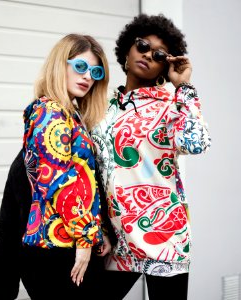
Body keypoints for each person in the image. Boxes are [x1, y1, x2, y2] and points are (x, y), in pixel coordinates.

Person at [91, 14, 212, 300]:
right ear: (128, 49)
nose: (148, 54)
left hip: (164, 238)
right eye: (142, 45)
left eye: (159, 54)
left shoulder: (171, 106)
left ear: (165, 65)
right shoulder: (103, 107)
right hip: (116, 240)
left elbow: (197, 143)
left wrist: (184, 88)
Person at [0, 33, 112, 300]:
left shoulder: (71, 114)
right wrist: (85, 238)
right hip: (53, 247)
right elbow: (57, 181)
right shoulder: (49, 111)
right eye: (80, 67)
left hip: (67, 242)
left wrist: (96, 231)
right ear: (61, 64)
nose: (88, 77)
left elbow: (85, 184)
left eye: (95, 71)